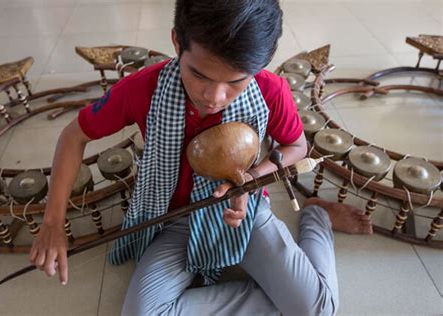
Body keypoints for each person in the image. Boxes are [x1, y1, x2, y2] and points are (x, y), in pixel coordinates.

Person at [29, 0, 373, 315]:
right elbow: (74, 136)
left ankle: (316, 217)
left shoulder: (271, 89)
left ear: (259, 65)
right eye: (199, 75)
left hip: (246, 214)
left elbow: (296, 147)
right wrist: (52, 222)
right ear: (177, 41)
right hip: (175, 217)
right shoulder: (142, 88)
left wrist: (253, 179)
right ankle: (279, 293)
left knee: (319, 310)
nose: (214, 97)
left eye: (236, 82)